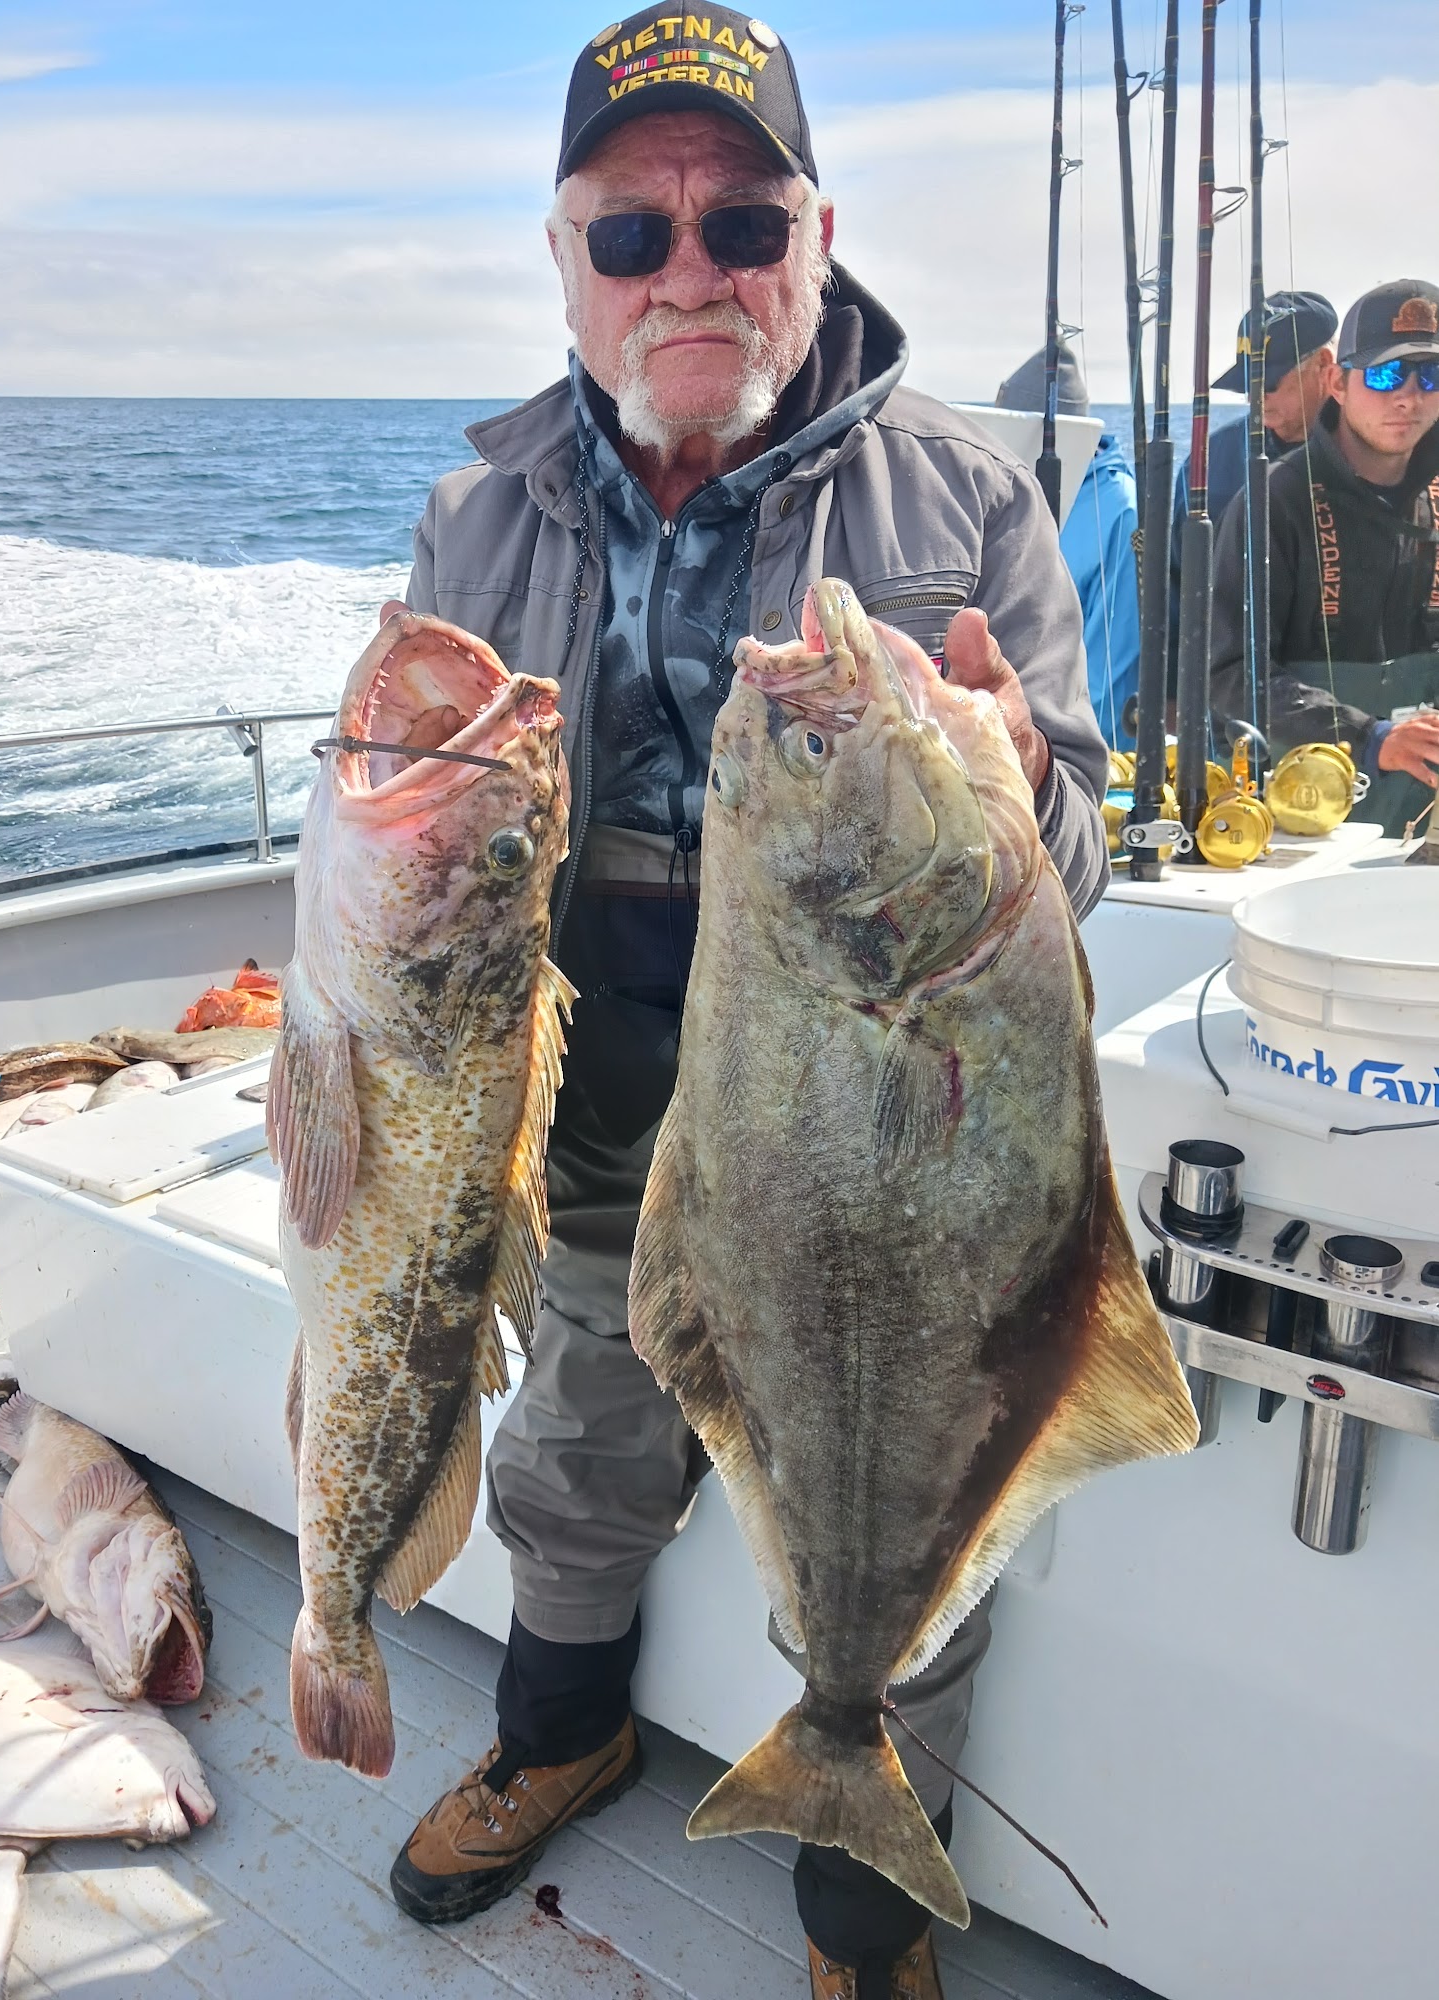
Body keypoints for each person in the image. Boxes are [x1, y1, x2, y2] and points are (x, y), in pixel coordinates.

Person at [382, 11, 1111, 1996]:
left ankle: (861, 1902)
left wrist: (1015, 785)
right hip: (596, 1093)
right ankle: (560, 1732)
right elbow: (418, 815)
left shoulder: (968, 497)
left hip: (883, 1122)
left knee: (899, 1491)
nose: (688, 272)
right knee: (576, 1456)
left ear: (818, 239)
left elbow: (1081, 848)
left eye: (744, 222)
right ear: (564, 262)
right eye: (631, 234)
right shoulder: (476, 514)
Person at [1209, 278, 1439, 832]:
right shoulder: (1273, 501)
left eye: (1431, 375)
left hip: (1422, 821)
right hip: (1297, 822)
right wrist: (1368, 737)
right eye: (1384, 374)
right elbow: (1231, 674)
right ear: (1337, 381)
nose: (1408, 397)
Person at [1168, 290, 1338, 671]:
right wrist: (1172, 690)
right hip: (1229, 686)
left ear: (1324, 366)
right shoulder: (1207, 462)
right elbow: (1177, 589)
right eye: (1248, 383)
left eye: (1270, 382)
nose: (1255, 397)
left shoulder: (1370, 455)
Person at [997, 344, 1139, 746]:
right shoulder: (1000, 490)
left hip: (1078, 744)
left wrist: (1091, 753)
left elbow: (1116, 655)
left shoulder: (1120, 510)